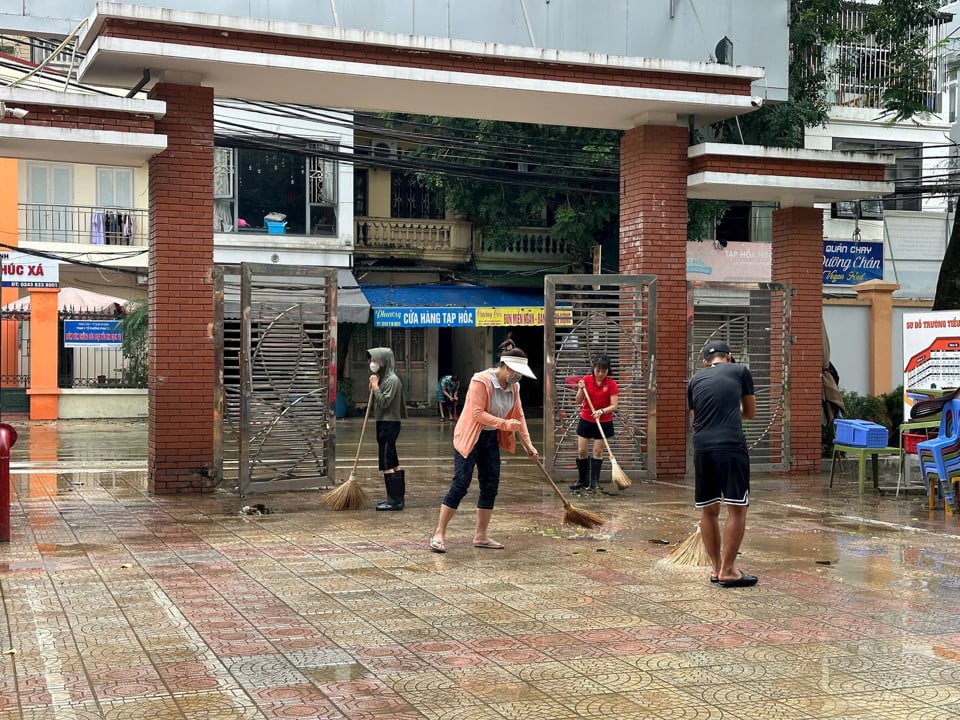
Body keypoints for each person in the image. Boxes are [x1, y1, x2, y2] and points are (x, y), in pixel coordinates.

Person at [429, 347, 540, 553]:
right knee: (461, 483)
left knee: (490, 485)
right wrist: (505, 424)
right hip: (470, 436)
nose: (518, 377)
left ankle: (481, 536)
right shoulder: (480, 381)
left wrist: (529, 445)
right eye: (515, 371)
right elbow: (477, 413)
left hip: (490, 437)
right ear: (506, 367)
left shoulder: (513, 388)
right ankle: (439, 533)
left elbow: (519, 416)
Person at [686, 339, 757, 588]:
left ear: (706, 362)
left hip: (702, 447)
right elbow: (749, 413)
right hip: (731, 445)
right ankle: (728, 570)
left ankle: (716, 569)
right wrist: (728, 410)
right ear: (729, 357)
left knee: (709, 510)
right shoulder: (740, 371)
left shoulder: (694, 380)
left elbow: (696, 418)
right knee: (737, 508)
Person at [570, 354, 618, 492]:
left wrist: (602, 411)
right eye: (598, 370)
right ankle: (582, 480)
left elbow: (614, 405)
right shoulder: (586, 380)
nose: (601, 374)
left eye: (604, 371)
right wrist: (580, 388)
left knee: (598, 451)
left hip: (603, 421)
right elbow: (578, 401)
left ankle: (594, 481)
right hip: (586, 418)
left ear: (608, 370)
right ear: (594, 369)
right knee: (582, 450)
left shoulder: (611, 384)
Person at [368, 347, 408, 511]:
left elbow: (384, 402)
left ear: (384, 361)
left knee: (386, 461)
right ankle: (397, 498)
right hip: (383, 422)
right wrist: (374, 386)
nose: (372, 363)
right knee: (393, 460)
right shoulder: (383, 378)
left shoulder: (392, 380)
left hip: (389, 423)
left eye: (375, 360)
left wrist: (376, 387)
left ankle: (394, 500)